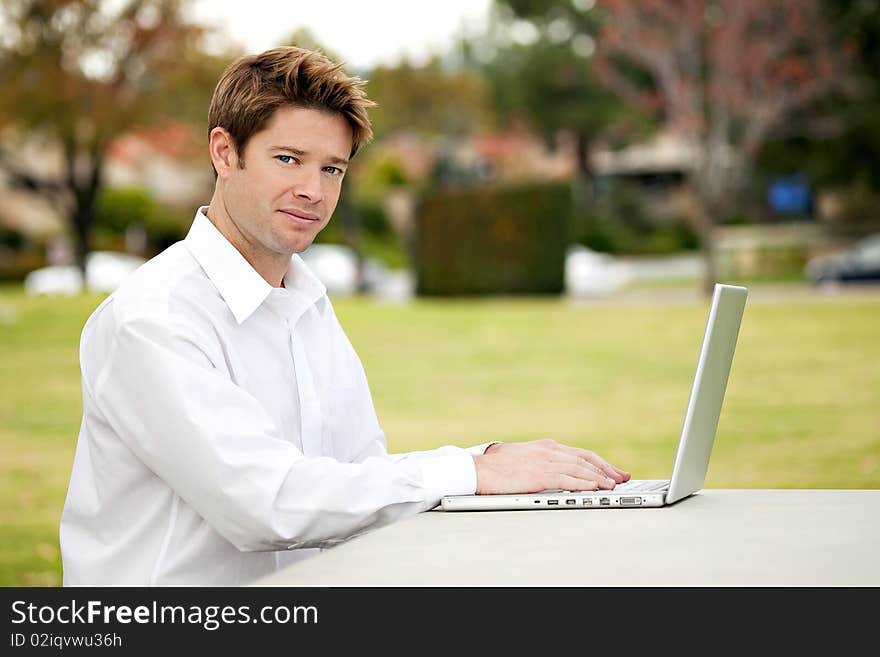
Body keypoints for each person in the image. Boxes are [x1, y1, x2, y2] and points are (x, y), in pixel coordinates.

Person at [59, 46, 630, 586]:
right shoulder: (151, 318)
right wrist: (473, 471)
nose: (313, 190)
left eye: (332, 169)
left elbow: (359, 481)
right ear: (224, 153)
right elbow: (267, 504)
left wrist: (509, 484)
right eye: (289, 160)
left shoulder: (306, 301)